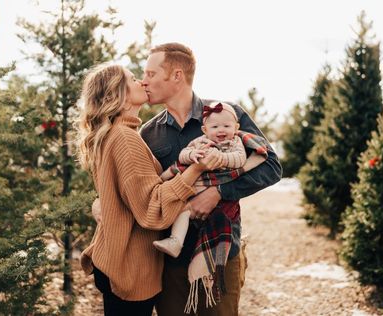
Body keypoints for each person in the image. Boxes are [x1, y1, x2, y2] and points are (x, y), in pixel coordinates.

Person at [139, 42, 282, 316]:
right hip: (169, 260)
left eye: (151, 73)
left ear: (177, 75)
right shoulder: (149, 133)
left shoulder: (227, 115)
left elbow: (271, 166)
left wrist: (219, 192)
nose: (144, 81)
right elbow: (147, 190)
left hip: (220, 253)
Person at [75, 64, 222, 316]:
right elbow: (151, 208)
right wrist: (195, 170)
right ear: (116, 94)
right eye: (133, 79)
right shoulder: (124, 138)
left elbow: (122, 193)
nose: (142, 82)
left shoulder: (117, 134)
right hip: (129, 265)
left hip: (119, 258)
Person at [153, 101, 247, 258]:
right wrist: (192, 155)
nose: (221, 130)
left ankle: (218, 251)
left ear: (236, 128)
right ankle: (176, 241)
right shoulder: (200, 142)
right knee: (182, 210)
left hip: (219, 186)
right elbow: (183, 154)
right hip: (196, 187)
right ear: (205, 130)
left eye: (226, 126)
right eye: (215, 127)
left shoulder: (234, 142)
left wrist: (221, 158)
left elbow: (240, 159)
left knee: (220, 220)